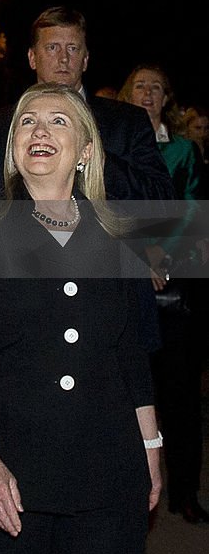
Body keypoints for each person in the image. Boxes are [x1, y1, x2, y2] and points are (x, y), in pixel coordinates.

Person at [0, 83, 162, 554]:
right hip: (9, 474)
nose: (39, 130)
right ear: (13, 147)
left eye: (58, 121)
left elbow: (130, 353)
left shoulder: (120, 232)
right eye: (27, 121)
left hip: (107, 471)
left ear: (86, 150)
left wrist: (150, 449)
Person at [118, 64, 209, 524]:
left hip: (174, 293)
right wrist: (140, 255)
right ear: (126, 94)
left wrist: (162, 258)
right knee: (130, 393)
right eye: (141, 85)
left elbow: (192, 211)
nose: (148, 93)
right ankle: (131, 489)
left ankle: (185, 492)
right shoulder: (110, 147)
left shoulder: (183, 150)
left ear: (166, 97)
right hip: (123, 287)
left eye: (157, 86)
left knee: (180, 398)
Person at [0, 7, 175, 203]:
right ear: (32, 58)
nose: (63, 58)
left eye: (72, 48)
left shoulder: (128, 122)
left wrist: (100, 163)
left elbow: (163, 200)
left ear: (85, 60)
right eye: (52, 48)